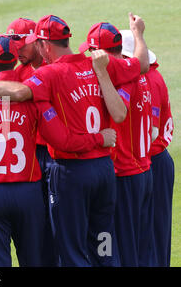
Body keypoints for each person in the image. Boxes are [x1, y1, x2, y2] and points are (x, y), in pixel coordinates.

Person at [0, 13, 150, 266]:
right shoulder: (99, 63)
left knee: (72, 250)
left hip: (72, 172)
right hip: (104, 170)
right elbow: (142, 63)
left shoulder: (50, 74)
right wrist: (138, 33)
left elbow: (19, 92)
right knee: (104, 243)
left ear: (44, 45)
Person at [0, 34, 117, 267]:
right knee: (37, 261)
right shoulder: (33, 98)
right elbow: (63, 141)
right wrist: (98, 138)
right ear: (15, 62)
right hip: (29, 192)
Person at [79, 22, 154, 266]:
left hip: (125, 173)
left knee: (122, 248)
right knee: (141, 247)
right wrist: (138, 34)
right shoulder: (138, 73)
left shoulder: (120, 79)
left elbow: (119, 114)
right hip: (142, 169)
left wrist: (101, 74)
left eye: (92, 52)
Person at [121, 29, 175, 266]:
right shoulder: (150, 76)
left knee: (152, 235)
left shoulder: (149, 79)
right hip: (146, 161)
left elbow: (151, 131)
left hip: (151, 161)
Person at [6, 17, 55, 265]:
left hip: (57, 154)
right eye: (13, 48)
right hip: (32, 155)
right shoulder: (18, 72)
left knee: (59, 221)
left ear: (37, 41)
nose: (17, 53)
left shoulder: (54, 65)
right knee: (38, 222)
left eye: (21, 46)